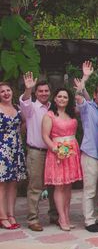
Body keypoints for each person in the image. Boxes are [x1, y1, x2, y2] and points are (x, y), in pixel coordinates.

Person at [73, 61, 98, 233]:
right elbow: (78, 95)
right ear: (95, 95)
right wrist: (86, 76)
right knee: (90, 189)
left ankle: (96, 216)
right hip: (90, 153)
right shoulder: (87, 108)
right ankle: (89, 220)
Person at [20, 72, 58, 231]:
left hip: (53, 152)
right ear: (36, 93)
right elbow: (24, 103)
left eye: (46, 91)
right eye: (40, 91)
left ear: (50, 92)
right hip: (36, 152)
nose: (43, 93)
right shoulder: (31, 108)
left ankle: (55, 215)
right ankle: (33, 219)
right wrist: (28, 89)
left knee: (54, 185)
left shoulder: (53, 108)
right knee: (35, 186)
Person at [42, 87, 83, 231]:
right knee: (59, 186)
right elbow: (45, 135)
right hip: (57, 152)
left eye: (65, 97)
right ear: (54, 98)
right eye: (59, 96)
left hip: (71, 151)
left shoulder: (71, 114)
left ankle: (66, 215)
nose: (62, 99)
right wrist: (55, 148)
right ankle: (61, 217)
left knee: (68, 186)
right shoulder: (50, 115)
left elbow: (83, 100)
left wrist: (84, 79)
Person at [0, 82, 27, 230]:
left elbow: (22, 127)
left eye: (8, 90)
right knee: (2, 184)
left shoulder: (17, 108)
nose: (5, 93)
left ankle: (11, 214)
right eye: (2, 91)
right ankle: (2, 216)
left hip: (16, 148)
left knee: (13, 184)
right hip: (1, 149)